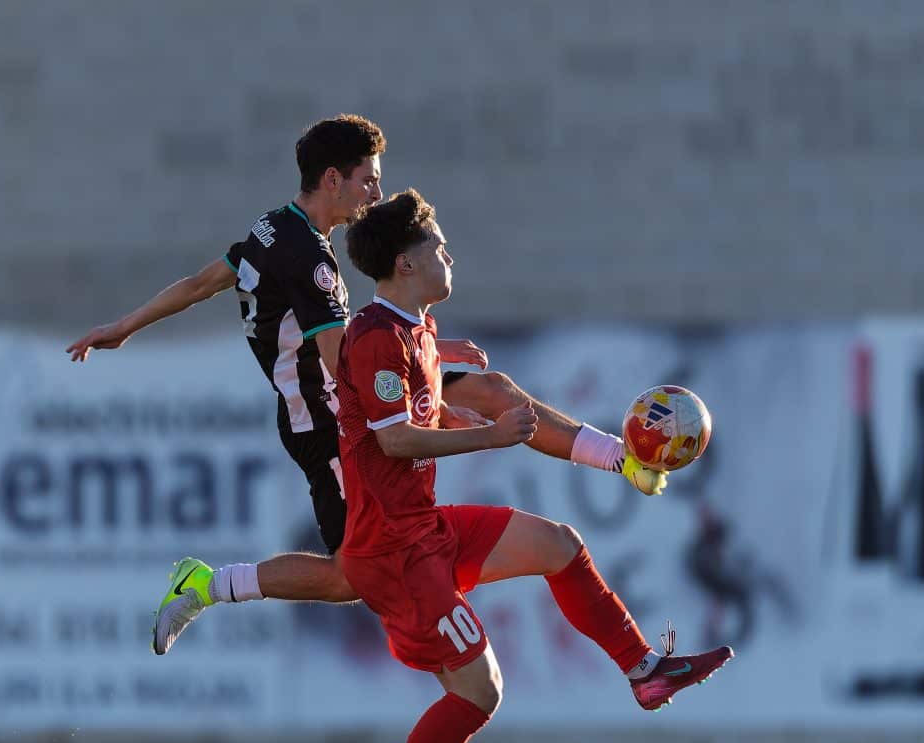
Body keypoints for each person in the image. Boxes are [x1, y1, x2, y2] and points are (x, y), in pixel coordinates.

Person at [65, 115, 667, 655]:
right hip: (327, 419)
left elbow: (200, 283)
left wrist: (123, 326)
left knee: (493, 389)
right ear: (334, 179)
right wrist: (421, 372)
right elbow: (341, 365)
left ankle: (624, 460)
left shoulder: (274, 227)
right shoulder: (317, 266)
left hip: (349, 388)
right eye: (368, 179)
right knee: (348, 576)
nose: (376, 192)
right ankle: (205, 584)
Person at [336, 190, 732, 743]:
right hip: (393, 553)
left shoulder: (416, 330)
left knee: (559, 544)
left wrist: (623, 458)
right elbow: (394, 439)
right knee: (480, 693)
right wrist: (487, 435)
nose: (447, 253)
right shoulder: (375, 337)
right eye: (437, 244)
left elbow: (491, 402)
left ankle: (645, 673)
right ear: (405, 261)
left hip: (423, 530)